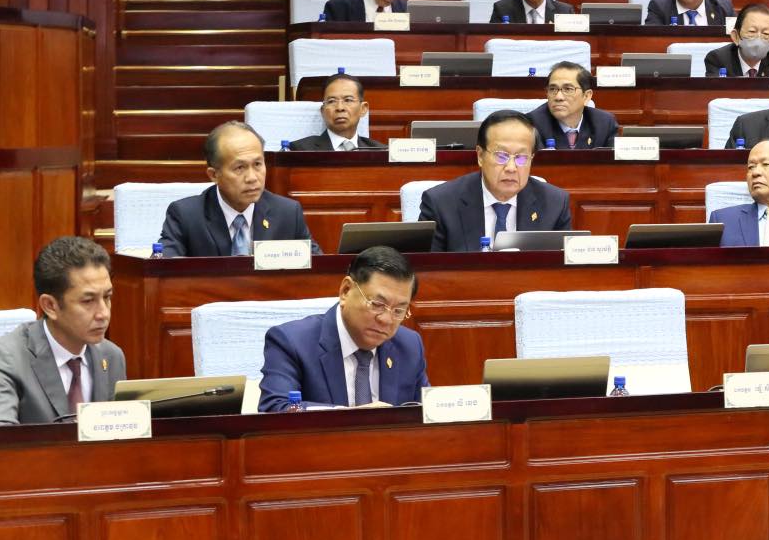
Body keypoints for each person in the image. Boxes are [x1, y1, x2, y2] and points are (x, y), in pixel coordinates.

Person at [258, 246, 428, 411]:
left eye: (398, 310)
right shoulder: (292, 342)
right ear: (346, 291)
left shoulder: (409, 346)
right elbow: (277, 408)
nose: (386, 319)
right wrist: (353, 417)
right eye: (377, 304)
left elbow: (428, 414)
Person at [0, 237, 126, 425]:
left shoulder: (111, 356)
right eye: (88, 301)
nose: (103, 313)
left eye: (107, 297)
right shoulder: (6, 359)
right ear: (50, 306)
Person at [157, 121, 321, 256]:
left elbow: (318, 272)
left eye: (258, 164)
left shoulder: (288, 213)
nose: (252, 177)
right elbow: (164, 273)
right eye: (240, 168)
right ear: (214, 175)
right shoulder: (186, 216)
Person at [418, 109, 572, 252]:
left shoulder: (555, 204)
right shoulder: (441, 204)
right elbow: (427, 269)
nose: (511, 168)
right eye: (501, 156)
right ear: (480, 156)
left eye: (521, 158)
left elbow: (562, 268)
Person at [528, 61, 618, 149]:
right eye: (552, 89)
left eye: (568, 89)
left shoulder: (604, 123)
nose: (558, 97)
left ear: (586, 96)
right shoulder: (532, 124)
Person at [286, 73, 384, 150]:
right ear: (323, 111)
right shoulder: (299, 150)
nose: (340, 108)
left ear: (363, 109)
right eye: (332, 101)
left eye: (348, 100)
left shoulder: (382, 151)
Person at [704, 4, 769, 78]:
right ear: (735, 36)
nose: (758, 39)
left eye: (765, 33)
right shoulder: (718, 60)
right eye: (752, 31)